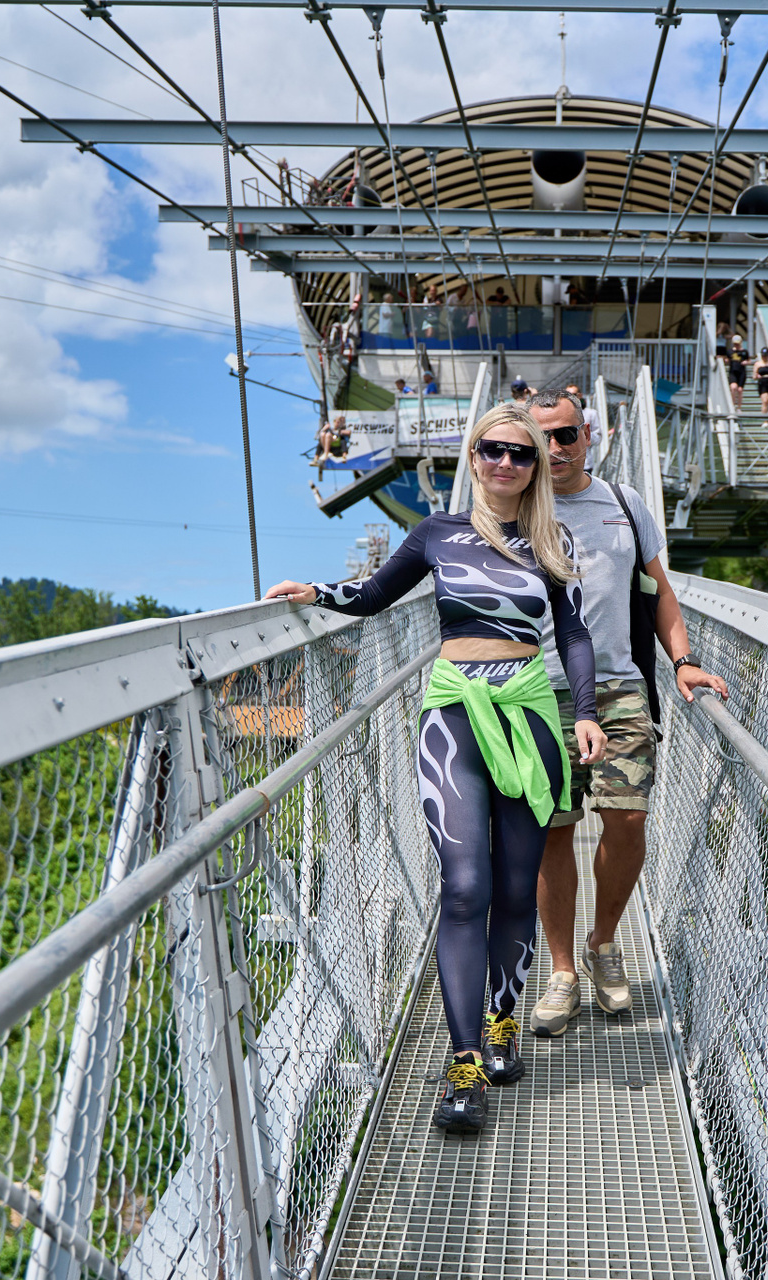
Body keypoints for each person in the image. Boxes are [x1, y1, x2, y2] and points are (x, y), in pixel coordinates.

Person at [265, 404, 606, 1134]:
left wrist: (584, 711)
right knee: (465, 885)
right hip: (453, 713)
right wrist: (316, 593)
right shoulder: (436, 533)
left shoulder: (552, 540)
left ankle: (503, 1021)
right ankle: (465, 1062)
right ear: (473, 456)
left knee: (515, 887)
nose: (506, 463)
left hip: (529, 715)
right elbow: (373, 597)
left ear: (535, 467)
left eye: (521, 453)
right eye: (493, 449)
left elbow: (575, 633)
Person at [524, 390, 729, 1035]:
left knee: (628, 817)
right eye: (539, 439)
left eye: (565, 435)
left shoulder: (623, 503)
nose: (554, 449)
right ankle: (562, 972)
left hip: (619, 686)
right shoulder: (513, 504)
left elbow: (659, 590)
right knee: (552, 829)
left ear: (588, 435)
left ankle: (603, 942)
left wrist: (683, 660)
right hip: (537, 689)